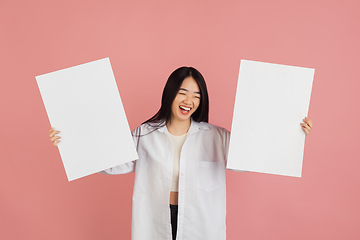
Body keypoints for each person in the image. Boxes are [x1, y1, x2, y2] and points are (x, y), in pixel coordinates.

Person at [48, 66, 313, 240]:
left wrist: (293, 133)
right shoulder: (145, 133)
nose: (189, 101)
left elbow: (250, 156)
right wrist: (69, 141)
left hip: (200, 223)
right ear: (170, 94)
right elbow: (112, 163)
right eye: (183, 92)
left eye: (196, 96)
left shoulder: (215, 136)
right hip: (155, 218)